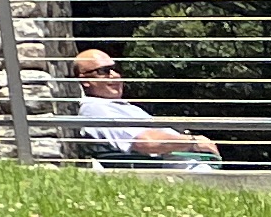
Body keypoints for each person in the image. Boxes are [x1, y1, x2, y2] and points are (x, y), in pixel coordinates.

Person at [69, 51, 220, 166]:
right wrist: (193, 142)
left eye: (115, 69)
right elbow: (145, 142)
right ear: (85, 80)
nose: (115, 76)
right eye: (104, 71)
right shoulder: (96, 109)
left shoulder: (120, 107)